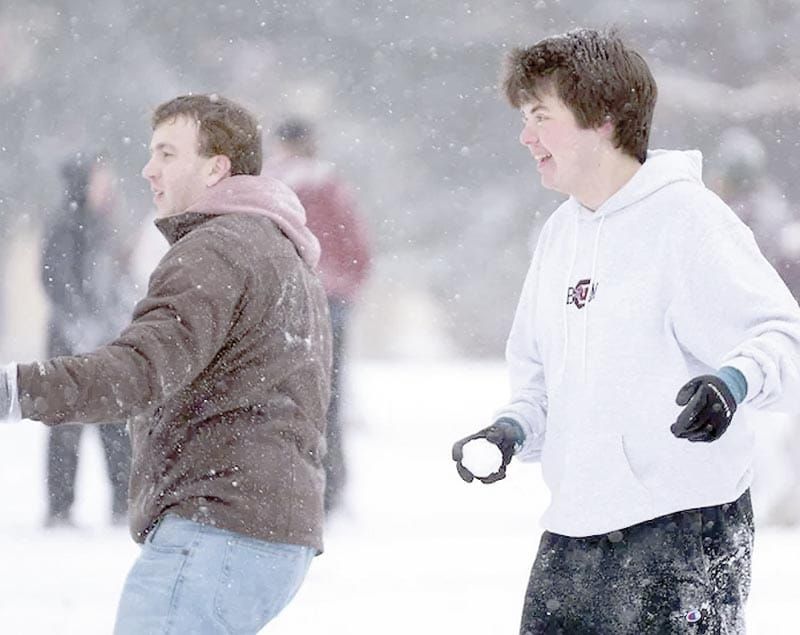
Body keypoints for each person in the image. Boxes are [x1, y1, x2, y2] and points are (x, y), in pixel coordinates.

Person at [450, 29, 800, 634]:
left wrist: (732, 383)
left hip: (684, 528)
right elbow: (538, 378)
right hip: (573, 533)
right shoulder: (561, 234)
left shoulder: (688, 220)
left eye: (540, 116)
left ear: (604, 118)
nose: (525, 135)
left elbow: (783, 337)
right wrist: (513, 428)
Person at [1, 94, 332, 634]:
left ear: (216, 167)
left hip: (217, 530)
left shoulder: (217, 249)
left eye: (167, 154)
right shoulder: (276, 246)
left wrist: (14, 389)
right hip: (266, 528)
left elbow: (136, 371)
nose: (147, 169)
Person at [264, 118, 371, 514]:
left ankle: (288, 482)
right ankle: (330, 485)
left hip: (282, 303)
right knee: (329, 395)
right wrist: (347, 286)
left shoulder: (270, 184)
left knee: (281, 395)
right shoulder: (329, 185)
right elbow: (357, 246)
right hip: (330, 302)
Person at [710, 127, 800, 528]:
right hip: (766, 335)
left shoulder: (738, 216)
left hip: (756, 337)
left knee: (756, 430)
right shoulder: (771, 211)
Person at [41, 152, 133, 527]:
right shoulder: (66, 223)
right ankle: (61, 508)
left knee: (115, 423)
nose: (106, 185)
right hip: (71, 340)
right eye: (99, 178)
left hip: (106, 338)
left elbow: (114, 280)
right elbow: (55, 280)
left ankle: (123, 504)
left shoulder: (104, 222)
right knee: (66, 426)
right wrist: (82, 325)